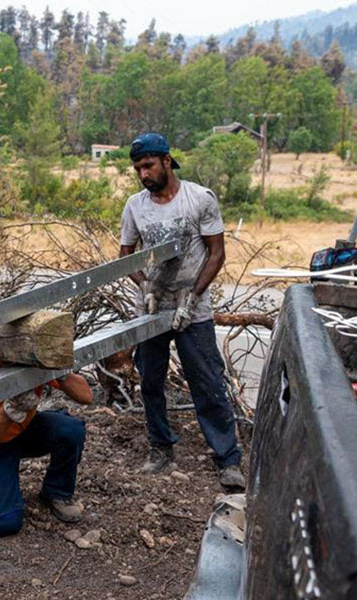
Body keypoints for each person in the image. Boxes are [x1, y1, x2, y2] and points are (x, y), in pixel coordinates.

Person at [118, 132, 245, 490]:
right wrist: (146, 286)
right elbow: (125, 256)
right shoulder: (135, 206)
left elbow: (216, 253)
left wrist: (193, 295)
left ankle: (227, 458)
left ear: (167, 160)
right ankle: (160, 447)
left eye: (149, 165)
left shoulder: (199, 198)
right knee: (151, 379)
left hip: (194, 303)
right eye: (138, 168)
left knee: (206, 380)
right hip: (154, 306)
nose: (144, 174)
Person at [0, 362, 93, 536]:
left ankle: (57, 493)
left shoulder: (31, 359)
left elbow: (86, 396)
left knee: (71, 431)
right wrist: (9, 411)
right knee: (4, 524)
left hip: (24, 428)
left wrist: (61, 374)